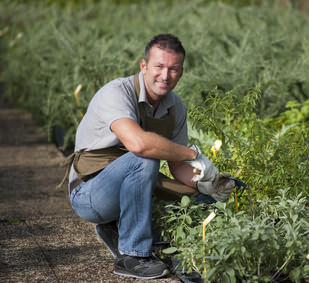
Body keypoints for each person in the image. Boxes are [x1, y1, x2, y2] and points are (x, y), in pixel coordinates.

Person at [65, 34, 235, 280]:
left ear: (181, 72)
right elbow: (138, 145)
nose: (165, 76)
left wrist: (206, 180)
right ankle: (132, 256)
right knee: (145, 157)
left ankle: (115, 228)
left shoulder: (175, 107)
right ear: (144, 66)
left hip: (126, 188)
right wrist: (193, 154)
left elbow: (177, 166)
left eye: (173, 69)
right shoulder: (116, 92)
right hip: (89, 193)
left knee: (202, 201)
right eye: (159, 67)